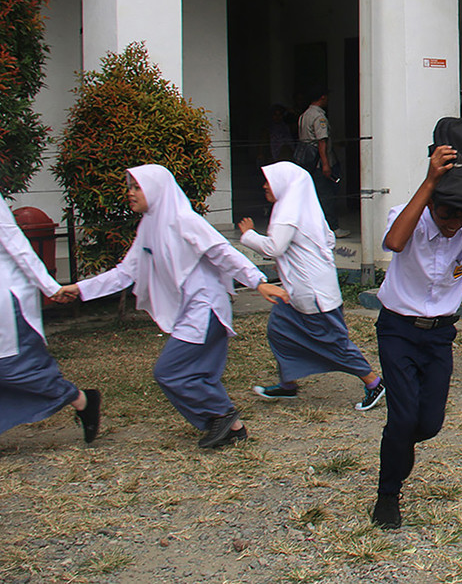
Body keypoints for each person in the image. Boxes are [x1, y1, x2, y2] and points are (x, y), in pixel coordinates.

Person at [61, 165, 290, 448]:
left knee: (170, 371)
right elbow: (125, 272)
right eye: (129, 187)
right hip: (192, 311)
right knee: (199, 374)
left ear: (156, 189)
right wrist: (80, 289)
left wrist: (258, 281)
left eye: (137, 187)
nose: (130, 193)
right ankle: (232, 428)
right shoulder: (149, 225)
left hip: (206, 310)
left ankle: (223, 414)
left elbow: (222, 251)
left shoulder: (183, 220)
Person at [370, 146, 462, 530]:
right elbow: (394, 244)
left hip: (439, 335)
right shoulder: (413, 215)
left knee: (429, 424)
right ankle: (388, 495)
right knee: (401, 419)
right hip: (398, 330)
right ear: (433, 201)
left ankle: (400, 448)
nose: (453, 222)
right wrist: (430, 180)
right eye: (446, 212)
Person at [238, 162, 385, 410]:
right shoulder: (305, 208)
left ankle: (373, 383)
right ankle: (288, 385)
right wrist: (288, 265)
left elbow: (275, 246)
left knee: (334, 343)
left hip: (313, 296)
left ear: (284, 184)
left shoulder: (288, 212)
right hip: (300, 293)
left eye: (269, 180)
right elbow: (323, 240)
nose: (264, 185)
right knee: (279, 330)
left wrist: (249, 235)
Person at [0, 200, 101, 443]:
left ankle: (81, 399)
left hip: (6, 296)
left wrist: (49, 287)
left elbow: (18, 245)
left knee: (14, 367)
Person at [298, 85, 349, 239]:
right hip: (319, 163)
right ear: (321, 97)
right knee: (326, 195)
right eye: (326, 97)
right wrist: (326, 164)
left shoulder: (304, 115)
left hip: (308, 162)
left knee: (314, 195)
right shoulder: (319, 117)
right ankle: (332, 227)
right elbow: (322, 142)